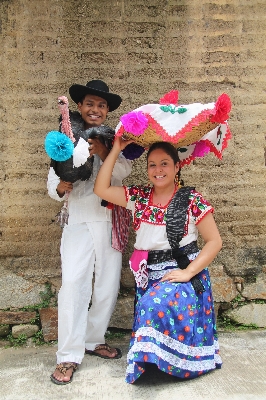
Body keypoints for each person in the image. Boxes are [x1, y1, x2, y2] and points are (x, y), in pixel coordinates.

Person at [94, 138, 223, 384]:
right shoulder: (139, 197)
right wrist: (117, 150)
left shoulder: (191, 200)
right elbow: (101, 188)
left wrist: (187, 273)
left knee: (153, 306)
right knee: (151, 305)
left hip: (183, 272)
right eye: (152, 165)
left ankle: (173, 362)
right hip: (150, 276)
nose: (158, 170)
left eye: (164, 163)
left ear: (177, 167)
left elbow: (214, 242)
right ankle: (157, 361)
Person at [47, 80, 132, 385]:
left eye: (102, 105)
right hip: (78, 221)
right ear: (79, 107)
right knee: (73, 283)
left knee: (107, 284)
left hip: (109, 220)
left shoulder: (114, 139)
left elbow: (124, 173)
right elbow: (54, 176)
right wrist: (58, 188)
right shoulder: (67, 138)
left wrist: (105, 151)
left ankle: (94, 339)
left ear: (107, 111)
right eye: (90, 104)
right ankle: (68, 354)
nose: (95, 110)